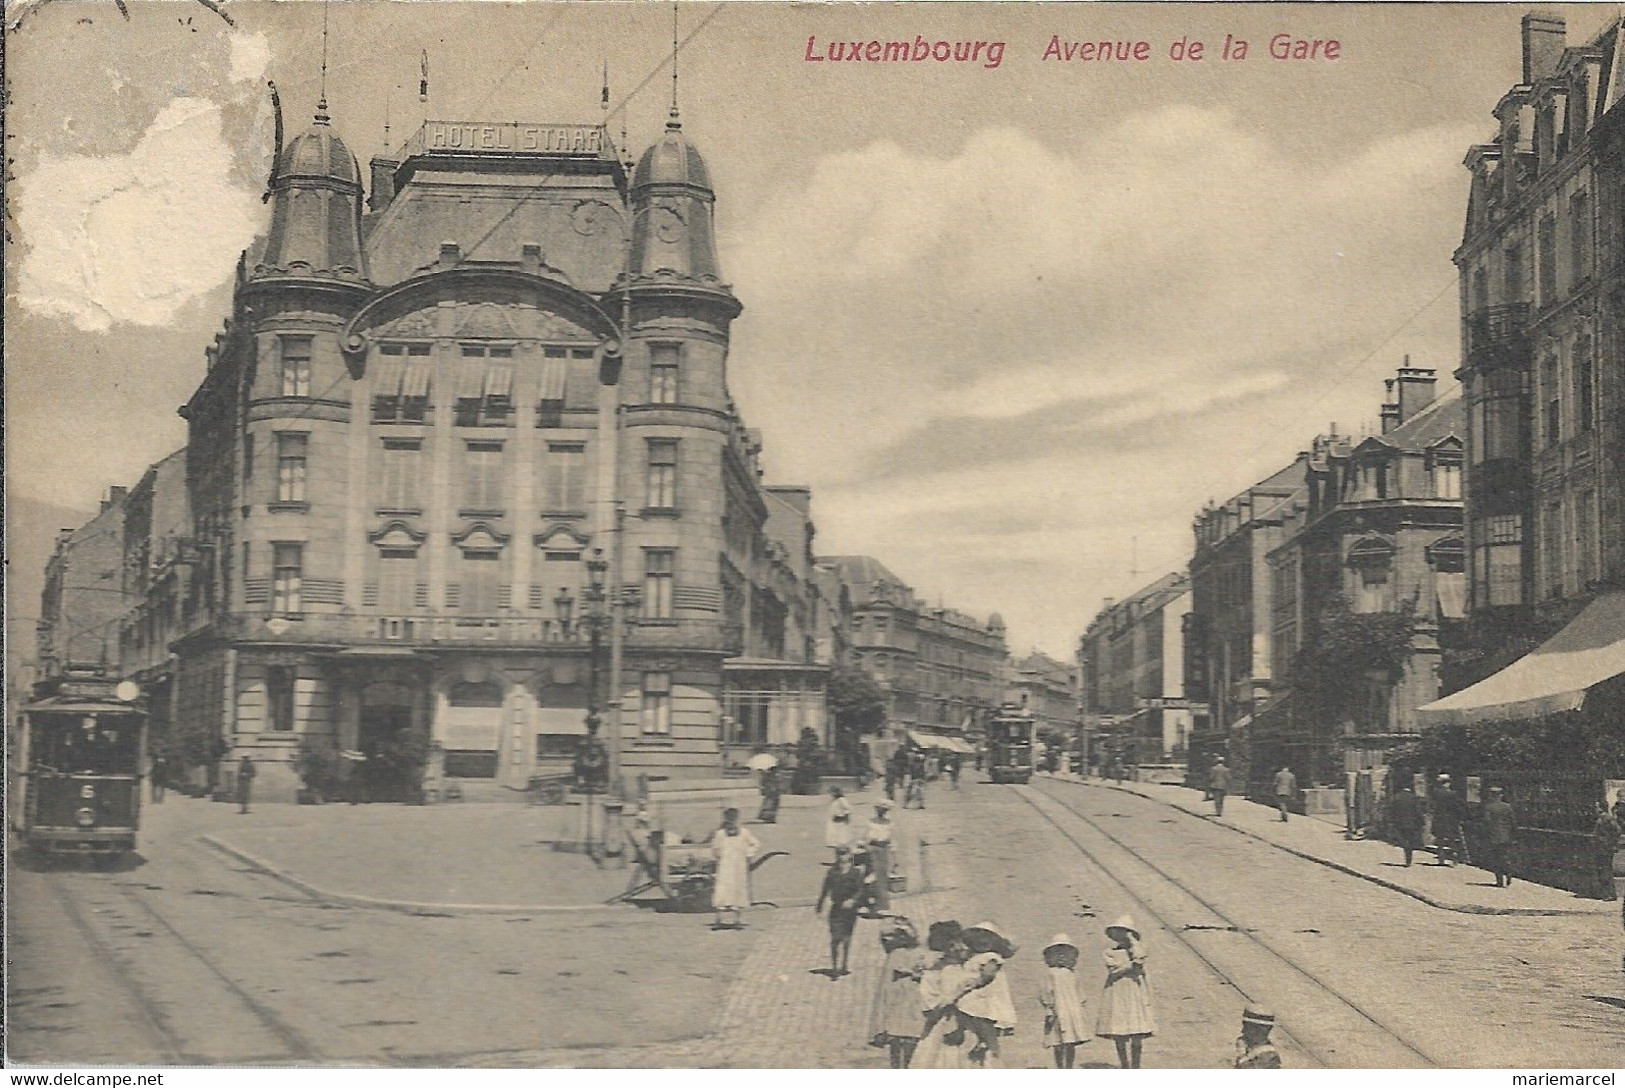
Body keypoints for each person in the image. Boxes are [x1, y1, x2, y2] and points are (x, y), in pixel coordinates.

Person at [911, 921, 985, 1069]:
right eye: (957, 944)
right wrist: (956, 994)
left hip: (968, 1027)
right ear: (948, 947)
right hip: (941, 1029)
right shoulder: (933, 974)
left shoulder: (966, 970)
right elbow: (930, 1008)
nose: (964, 948)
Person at [1096, 914, 1155, 1069]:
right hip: (1117, 991)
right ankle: (1124, 1065)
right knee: (1119, 1030)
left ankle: (1136, 1066)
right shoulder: (1109, 952)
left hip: (1134, 991)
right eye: (1119, 932)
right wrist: (1131, 966)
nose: (1122, 936)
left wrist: (1133, 941)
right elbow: (1114, 971)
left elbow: (1141, 956)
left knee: (1136, 1030)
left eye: (1125, 932)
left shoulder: (1136, 950)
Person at [957, 921, 1019, 1065]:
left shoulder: (991, 956)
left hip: (984, 992)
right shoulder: (971, 957)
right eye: (978, 941)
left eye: (987, 941)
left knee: (983, 1017)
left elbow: (989, 974)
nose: (982, 944)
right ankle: (979, 1041)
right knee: (970, 1016)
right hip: (972, 992)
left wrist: (977, 982)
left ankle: (985, 1041)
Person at [869, 919, 927, 1068]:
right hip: (898, 1007)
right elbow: (884, 989)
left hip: (914, 1005)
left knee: (910, 1047)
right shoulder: (895, 956)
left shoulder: (921, 954)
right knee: (897, 1046)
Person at [1038, 933, 1089, 1069]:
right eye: (1057, 953)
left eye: (1065, 953)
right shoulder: (1051, 973)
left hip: (1071, 1012)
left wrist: (1080, 1008)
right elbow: (1046, 991)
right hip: (1057, 1011)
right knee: (1058, 1041)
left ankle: (1069, 1067)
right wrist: (1048, 1007)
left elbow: (1080, 994)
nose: (1061, 956)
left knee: (1070, 1041)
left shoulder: (1073, 974)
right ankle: (1060, 1067)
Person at [815, 848, 866, 977]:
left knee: (847, 938)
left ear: (849, 855)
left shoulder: (855, 872)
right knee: (835, 938)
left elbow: (861, 890)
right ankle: (834, 968)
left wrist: (853, 900)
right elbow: (825, 890)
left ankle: (844, 963)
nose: (842, 857)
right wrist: (819, 907)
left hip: (849, 911)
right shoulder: (832, 872)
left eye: (844, 854)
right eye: (840, 854)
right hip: (836, 909)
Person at [710, 807, 760, 930]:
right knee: (722, 890)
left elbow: (755, 844)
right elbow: (715, 848)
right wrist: (720, 855)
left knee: (738, 890)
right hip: (725, 866)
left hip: (739, 865)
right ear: (725, 819)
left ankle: (738, 920)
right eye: (729, 819)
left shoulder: (744, 833)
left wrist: (748, 854)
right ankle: (718, 919)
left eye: (734, 819)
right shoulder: (720, 834)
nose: (731, 822)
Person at [861, 799, 897, 913]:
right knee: (869, 876)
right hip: (871, 849)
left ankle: (881, 905)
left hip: (883, 850)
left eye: (884, 810)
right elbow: (865, 837)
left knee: (881, 877)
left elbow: (892, 840)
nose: (881, 812)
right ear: (876, 810)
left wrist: (895, 859)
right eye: (879, 809)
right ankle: (866, 902)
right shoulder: (870, 822)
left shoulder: (889, 823)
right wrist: (866, 847)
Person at [1480, 786, 1517, 888]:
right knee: (1505, 857)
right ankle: (1509, 872)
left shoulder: (1488, 807)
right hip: (1506, 836)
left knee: (1496, 859)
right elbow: (1513, 823)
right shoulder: (1507, 807)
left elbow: (1486, 822)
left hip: (1493, 836)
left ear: (1491, 795)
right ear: (1501, 796)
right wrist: (1513, 835)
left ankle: (1499, 881)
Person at [1430, 775, 1467, 866]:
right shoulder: (1452, 794)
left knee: (1440, 838)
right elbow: (1457, 807)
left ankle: (1441, 858)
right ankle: (1454, 856)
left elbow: (1433, 805)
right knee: (1452, 838)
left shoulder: (1436, 792)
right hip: (1451, 819)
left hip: (1439, 818)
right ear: (1447, 783)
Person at [1389, 783, 1425, 867]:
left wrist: (1392, 821)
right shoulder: (1413, 798)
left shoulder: (1396, 797)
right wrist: (1422, 821)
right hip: (1411, 823)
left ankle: (1406, 853)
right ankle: (1409, 859)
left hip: (1399, 823)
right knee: (1410, 839)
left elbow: (1391, 811)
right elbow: (1418, 811)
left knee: (1403, 839)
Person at [1591, 801, 1621, 901]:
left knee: (1606, 871)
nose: (1595, 808)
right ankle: (1606, 893)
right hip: (1600, 849)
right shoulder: (1601, 819)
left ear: (1601, 808)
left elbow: (1617, 830)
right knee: (1602, 870)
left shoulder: (1608, 818)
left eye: (1596, 806)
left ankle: (1610, 894)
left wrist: (1610, 843)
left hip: (1605, 849)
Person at [825, 786, 854, 854]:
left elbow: (848, 809)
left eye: (832, 792)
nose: (831, 794)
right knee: (837, 843)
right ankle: (838, 859)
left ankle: (846, 858)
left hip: (841, 822)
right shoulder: (835, 800)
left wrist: (845, 816)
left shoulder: (841, 800)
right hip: (835, 822)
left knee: (842, 841)